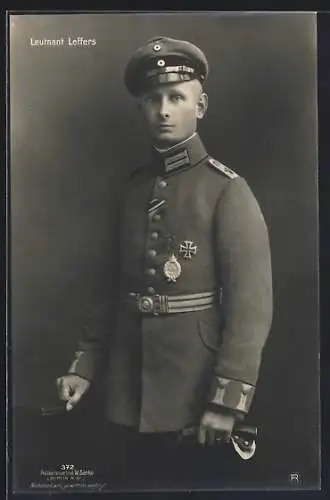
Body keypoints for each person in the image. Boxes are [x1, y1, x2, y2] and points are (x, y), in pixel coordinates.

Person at [56, 36, 273, 484]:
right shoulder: (131, 191)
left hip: (195, 395)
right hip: (125, 391)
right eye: (153, 99)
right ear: (142, 109)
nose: (164, 110)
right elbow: (108, 291)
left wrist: (225, 402)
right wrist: (84, 368)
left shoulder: (227, 191)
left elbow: (251, 311)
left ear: (201, 105)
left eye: (177, 97)